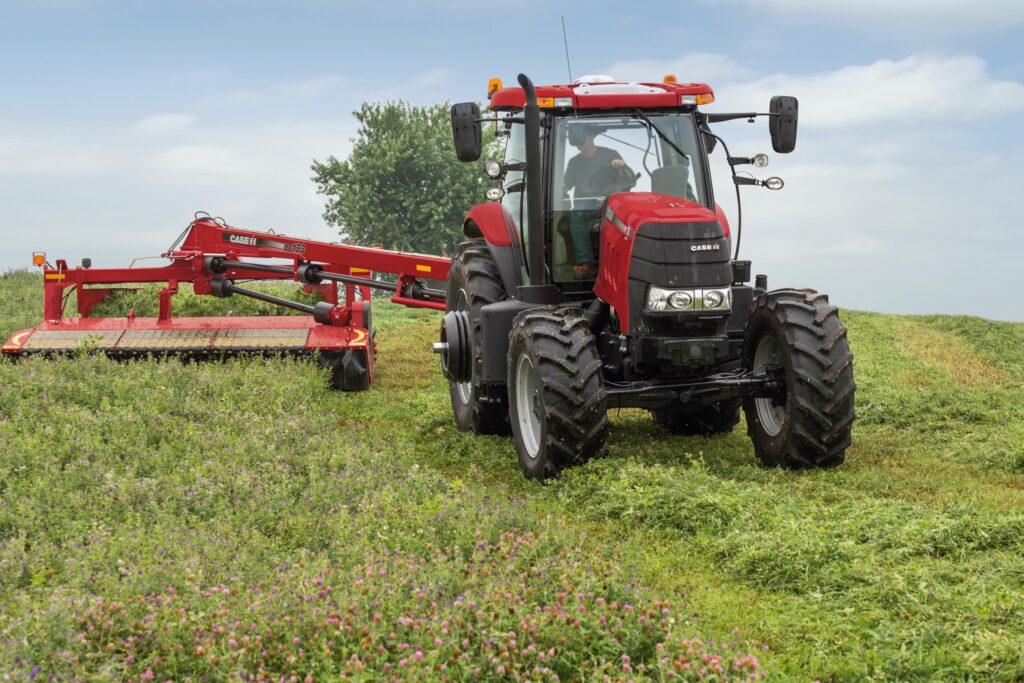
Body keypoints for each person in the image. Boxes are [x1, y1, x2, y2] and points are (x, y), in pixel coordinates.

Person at [562, 127, 634, 278]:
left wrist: (621, 167)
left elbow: (629, 179)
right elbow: (565, 186)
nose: (579, 144)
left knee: (628, 218)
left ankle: (625, 261)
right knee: (575, 213)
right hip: (586, 205)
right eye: (575, 141)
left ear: (591, 135)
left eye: (581, 138)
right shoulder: (574, 163)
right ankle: (586, 263)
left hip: (610, 203)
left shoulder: (610, 155)